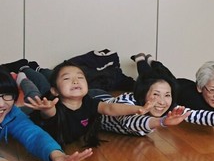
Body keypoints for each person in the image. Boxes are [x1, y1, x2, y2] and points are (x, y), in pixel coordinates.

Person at [94, 57, 214, 136]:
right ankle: (141, 60)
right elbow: (132, 122)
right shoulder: (126, 102)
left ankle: (149, 60)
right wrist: (160, 121)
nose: (162, 101)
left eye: (167, 95)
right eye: (156, 94)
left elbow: (196, 115)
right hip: (96, 99)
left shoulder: (169, 105)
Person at [24, 61, 152, 147]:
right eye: (67, 78)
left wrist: (138, 109)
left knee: (42, 86)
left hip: (49, 100)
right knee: (35, 92)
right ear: (55, 90)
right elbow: (50, 113)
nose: (75, 81)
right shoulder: (52, 105)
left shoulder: (88, 102)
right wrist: (47, 109)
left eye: (80, 77)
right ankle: (23, 70)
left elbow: (109, 108)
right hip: (35, 110)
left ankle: (30, 70)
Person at [0, 69, 93, 161]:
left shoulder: (12, 113)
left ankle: (22, 75)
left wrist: (57, 154)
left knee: (34, 97)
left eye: (6, 95)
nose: (1, 104)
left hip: (29, 106)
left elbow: (34, 135)